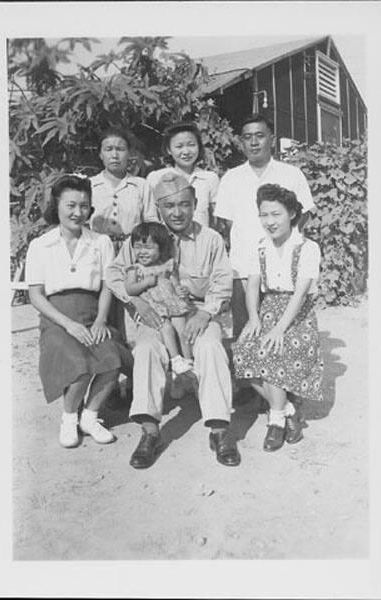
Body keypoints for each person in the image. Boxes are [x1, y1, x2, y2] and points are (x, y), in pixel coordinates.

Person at [105, 171, 241, 469]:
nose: (177, 212)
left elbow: (222, 281)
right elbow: (114, 274)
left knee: (210, 348)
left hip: (197, 314)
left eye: (184, 204)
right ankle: (150, 431)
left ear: (194, 204)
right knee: (146, 350)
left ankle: (219, 431)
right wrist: (136, 300)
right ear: (159, 207)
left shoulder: (210, 239)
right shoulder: (142, 237)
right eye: (169, 206)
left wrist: (206, 313)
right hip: (155, 315)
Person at [25, 174, 133, 449]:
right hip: (57, 317)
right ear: (57, 205)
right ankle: (69, 418)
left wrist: (100, 320)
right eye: (71, 205)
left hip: (93, 313)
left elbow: (108, 285)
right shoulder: (41, 245)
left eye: (84, 206)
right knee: (78, 365)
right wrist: (68, 325)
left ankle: (90, 416)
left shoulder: (100, 242)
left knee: (110, 359)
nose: (77, 212)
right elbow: (35, 294)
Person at [232, 183, 324, 452]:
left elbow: (300, 294)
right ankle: (288, 409)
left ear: (292, 214)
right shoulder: (259, 246)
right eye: (264, 215)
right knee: (242, 352)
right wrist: (253, 318)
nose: (269, 222)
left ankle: (275, 421)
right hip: (268, 306)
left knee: (274, 352)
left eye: (276, 214)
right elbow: (252, 285)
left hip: (298, 315)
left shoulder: (307, 248)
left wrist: (280, 329)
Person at [214, 113, 316, 340]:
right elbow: (227, 222)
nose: (253, 142)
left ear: (272, 139)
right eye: (247, 137)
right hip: (243, 266)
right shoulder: (231, 178)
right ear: (241, 142)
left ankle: (279, 376)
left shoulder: (291, 174)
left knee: (285, 330)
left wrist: (284, 245)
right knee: (245, 331)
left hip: (282, 264)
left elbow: (305, 212)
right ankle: (247, 377)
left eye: (260, 136)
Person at [125, 221, 194, 376]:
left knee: (182, 329)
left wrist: (180, 290)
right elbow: (129, 289)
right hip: (155, 307)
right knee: (167, 328)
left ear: (161, 248)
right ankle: (175, 360)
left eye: (148, 247)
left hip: (173, 303)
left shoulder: (168, 265)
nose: (142, 252)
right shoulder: (135, 269)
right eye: (137, 247)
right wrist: (145, 282)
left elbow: (175, 283)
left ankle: (188, 361)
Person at [90, 126, 158, 254]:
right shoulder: (90, 185)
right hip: (97, 251)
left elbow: (151, 222)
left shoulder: (141, 185)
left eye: (120, 149)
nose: (114, 155)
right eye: (108, 149)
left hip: (133, 251)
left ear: (129, 153)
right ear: (100, 154)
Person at [147, 121, 220, 228]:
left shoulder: (210, 178)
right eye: (179, 146)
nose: (186, 151)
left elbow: (215, 218)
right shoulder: (156, 178)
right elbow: (151, 216)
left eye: (191, 145)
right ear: (169, 150)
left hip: (201, 242)